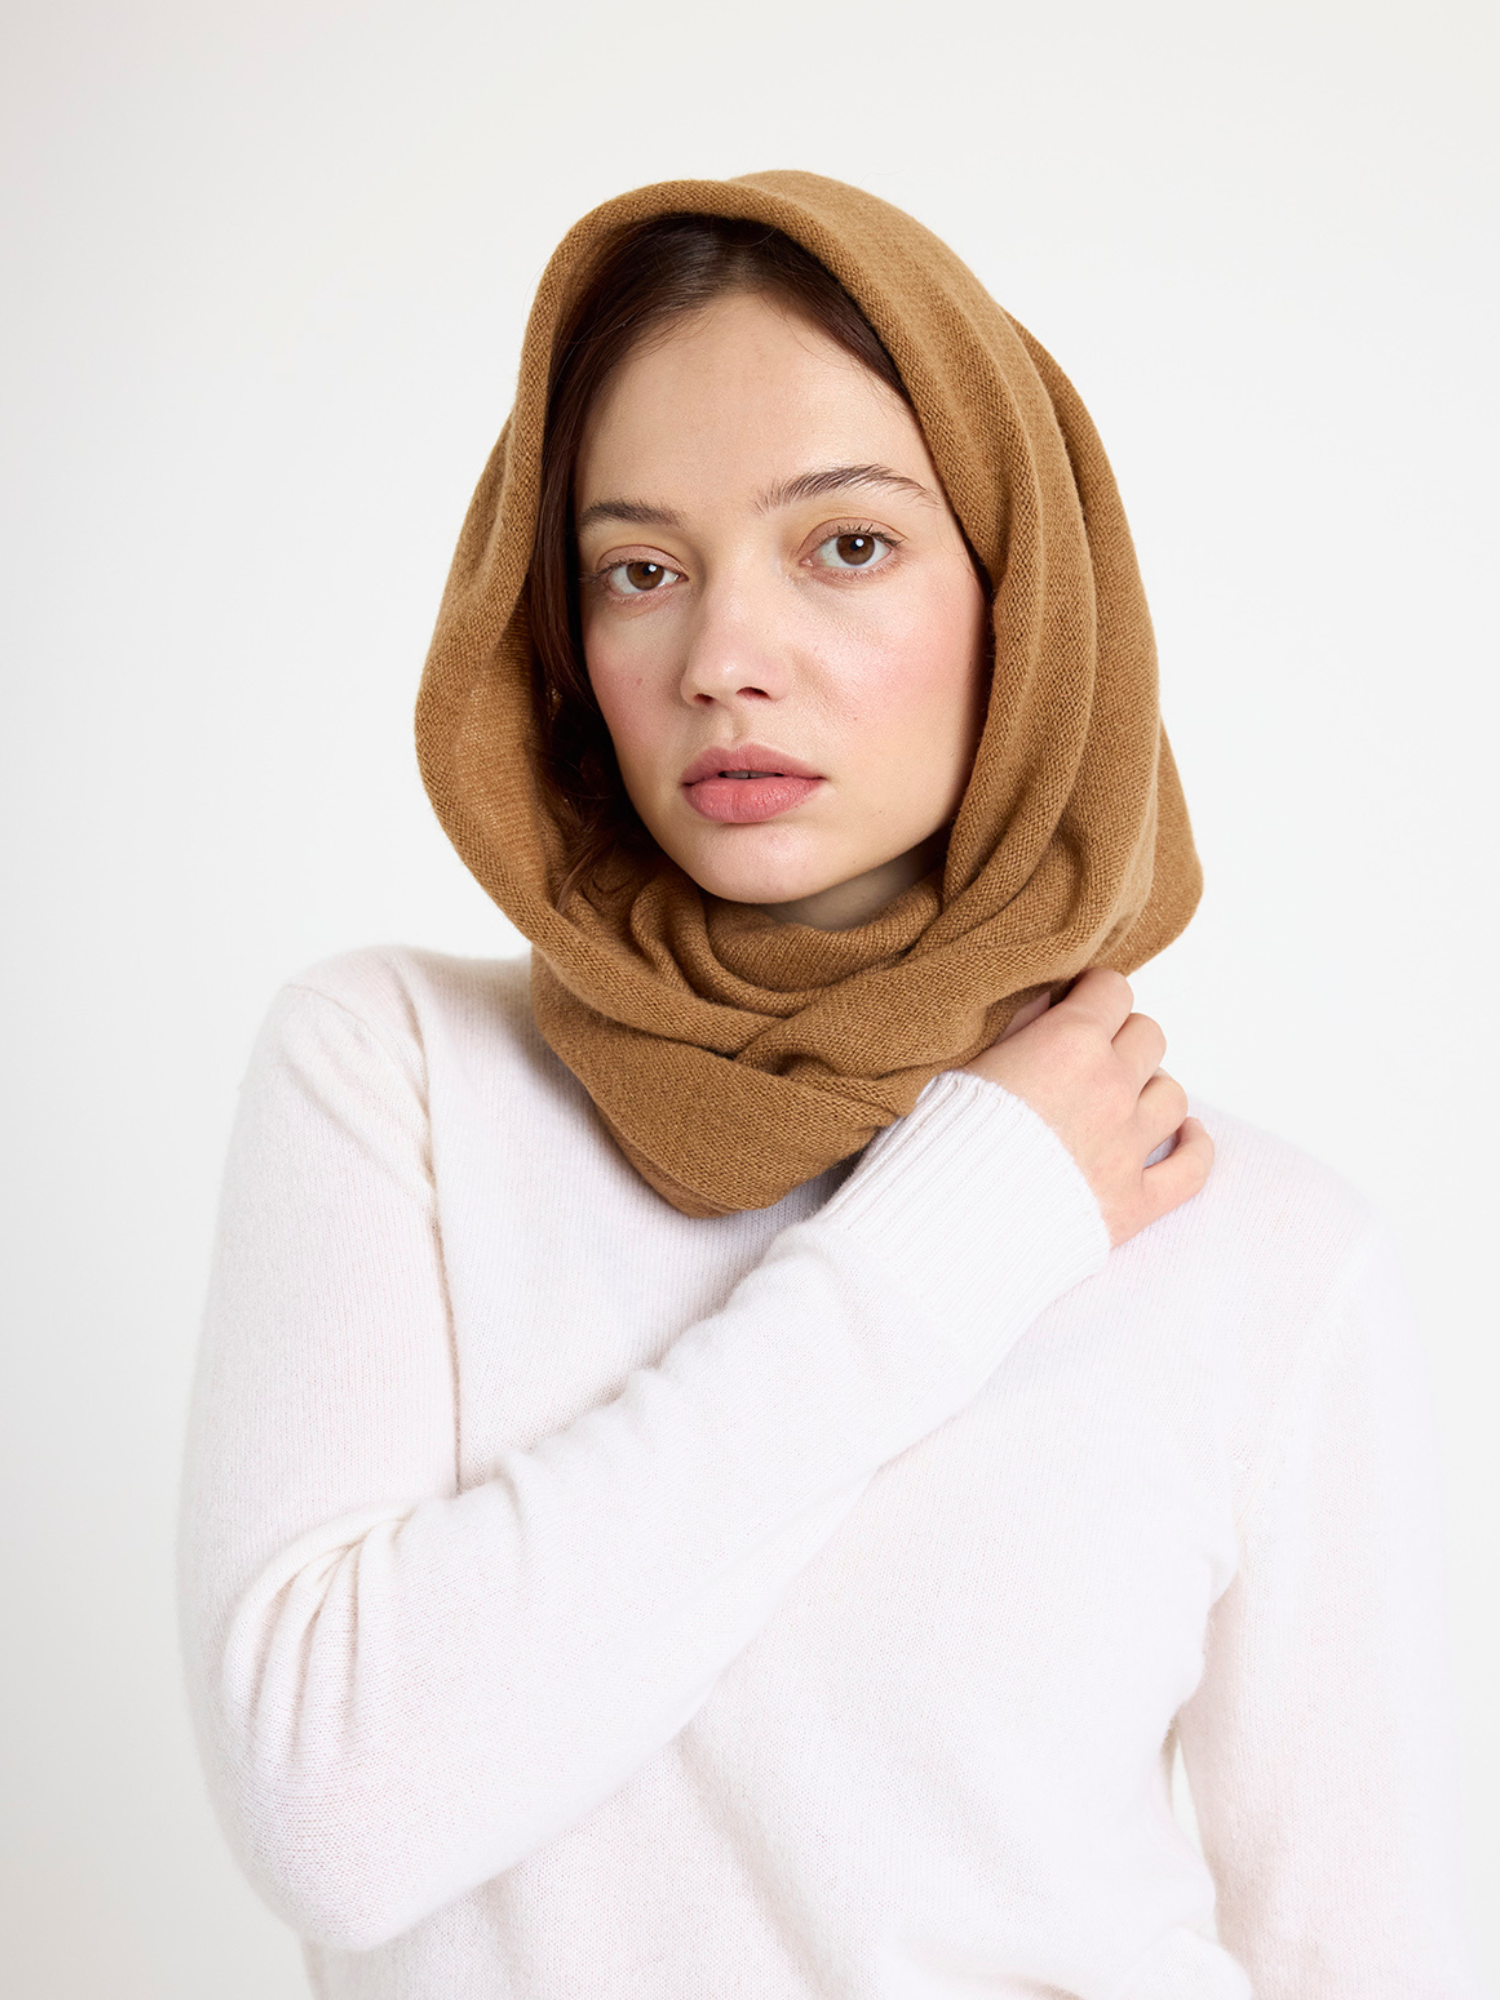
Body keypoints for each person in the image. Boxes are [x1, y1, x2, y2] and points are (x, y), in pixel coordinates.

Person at [177, 172, 1485, 1998]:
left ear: (1026, 598)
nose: (723, 661)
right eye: (639, 570)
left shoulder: (1260, 1248)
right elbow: (333, 1813)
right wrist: (968, 1226)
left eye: (846, 545)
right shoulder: (396, 1079)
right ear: (559, 646)